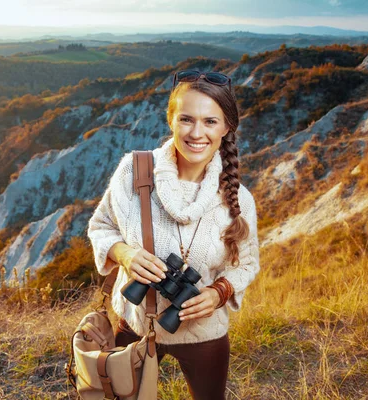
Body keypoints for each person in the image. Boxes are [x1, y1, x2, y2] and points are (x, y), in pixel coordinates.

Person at [87, 69, 260, 400]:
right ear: (171, 120)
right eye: (186, 119)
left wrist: (218, 293)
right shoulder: (134, 172)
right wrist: (125, 254)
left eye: (210, 121)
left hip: (203, 330)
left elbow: (246, 264)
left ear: (226, 128)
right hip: (137, 320)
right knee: (121, 397)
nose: (197, 133)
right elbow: (101, 226)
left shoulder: (239, 199)